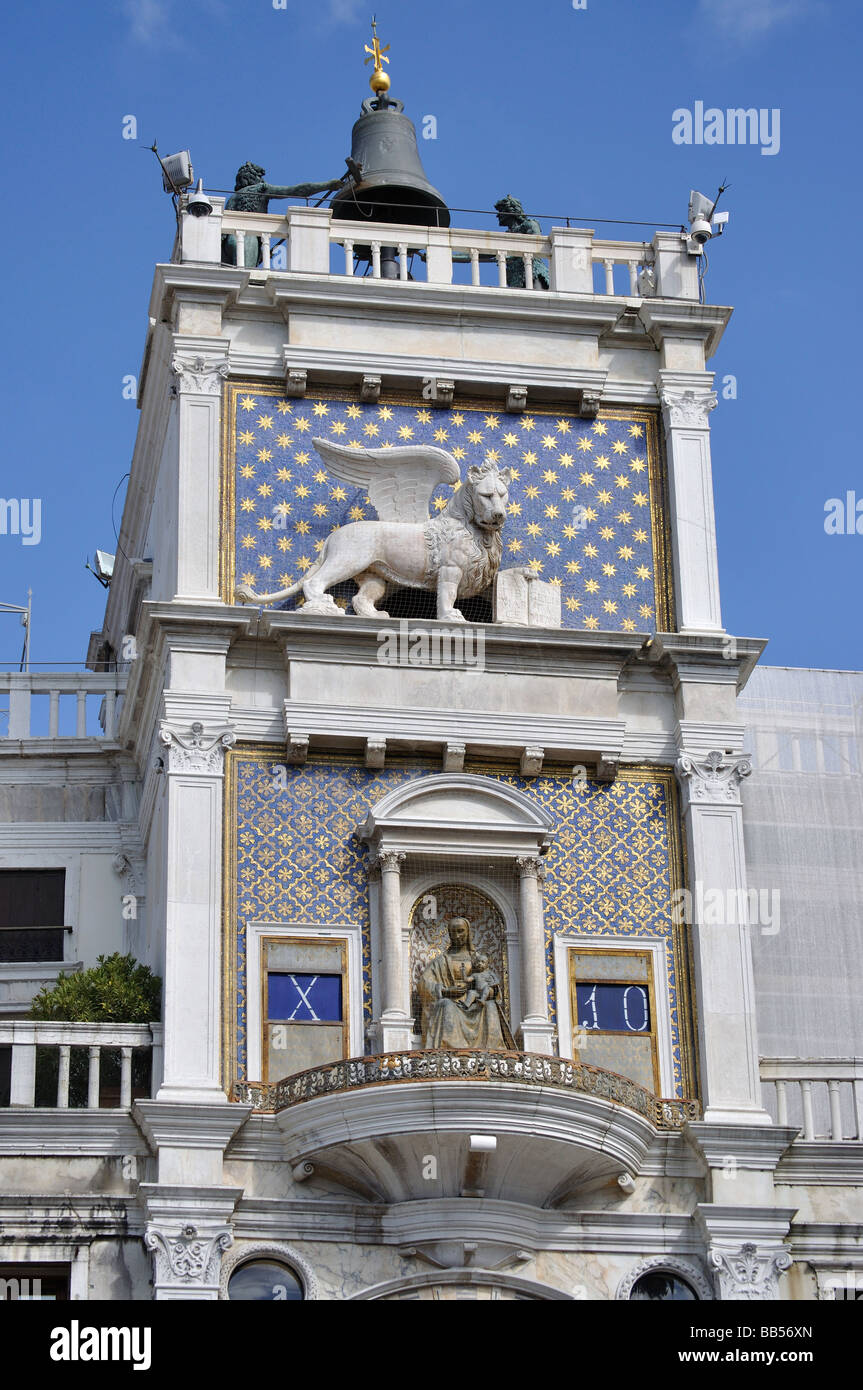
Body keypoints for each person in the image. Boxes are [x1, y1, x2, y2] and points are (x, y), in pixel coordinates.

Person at [221, 161, 357, 268]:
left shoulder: (233, 198)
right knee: (248, 283)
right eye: (259, 176)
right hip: (247, 240)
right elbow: (298, 190)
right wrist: (327, 185)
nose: (261, 179)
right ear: (255, 177)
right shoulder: (261, 189)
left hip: (230, 243)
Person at [417, 918, 515, 1050]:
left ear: (468, 933)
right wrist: (446, 991)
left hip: (476, 1001)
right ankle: (450, 1050)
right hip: (452, 1002)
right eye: (453, 932)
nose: (457, 936)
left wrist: (487, 992)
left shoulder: (479, 959)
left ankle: (492, 1050)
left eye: (460, 931)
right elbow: (424, 984)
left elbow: (492, 984)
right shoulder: (441, 961)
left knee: (490, 1006)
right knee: (446, 1005)